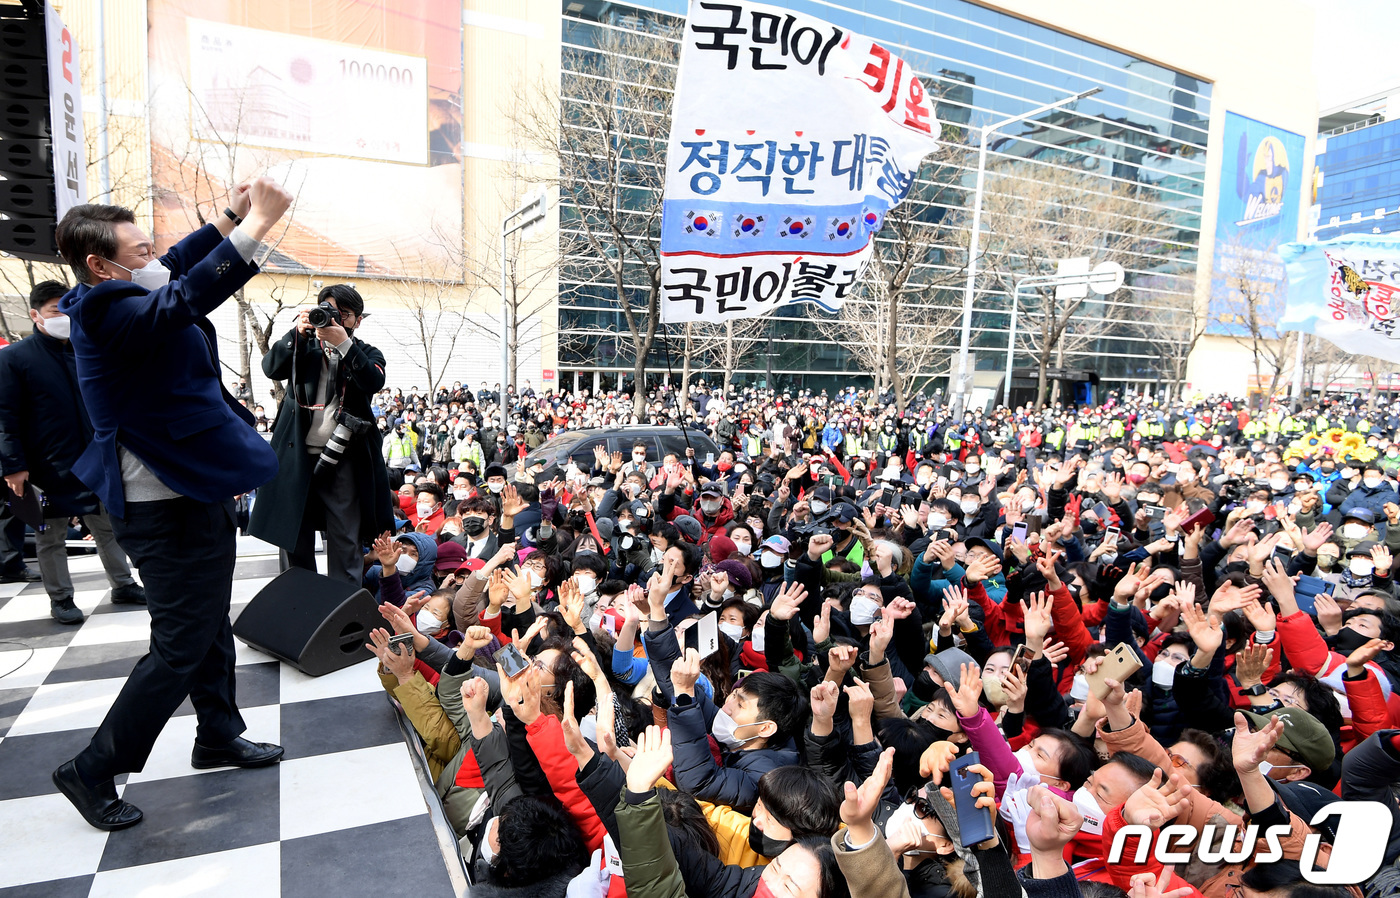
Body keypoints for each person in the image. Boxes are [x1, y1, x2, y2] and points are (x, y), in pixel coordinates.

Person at [49, 176, 292, 832]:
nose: (154, 255)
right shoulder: (105, 311)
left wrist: (229, 217)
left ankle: (218, 733)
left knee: (207, 624)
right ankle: (92, 767)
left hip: (190, 486)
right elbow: (187, 292)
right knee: (180, 644)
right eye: (139, 249)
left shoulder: (126, 287)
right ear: (101, 264)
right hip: (160, 501)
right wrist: (255, 229)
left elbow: (179, 262)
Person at [0, 280, 144, 622]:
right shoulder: (14, 358)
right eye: (54, 310)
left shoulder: (87, 348)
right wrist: (13, 466)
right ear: (35, 315)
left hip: (95, 459)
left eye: (67, 308)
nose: (63, 316)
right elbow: (4, 416)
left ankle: (123, 583)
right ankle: (61, 598)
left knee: (107, 527)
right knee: (50, 536)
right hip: (45, 466)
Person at [248, 283, 393, 586]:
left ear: (358, 320)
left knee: (345, 540)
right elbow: (271, 368)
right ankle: (299, 603)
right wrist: (297, 334)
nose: (335, 318)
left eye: (344, 314)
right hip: (296, 456)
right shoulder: (303, 347)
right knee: (293, 538)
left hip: (343, 459)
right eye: (328, 311)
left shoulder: (366, 352)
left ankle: (343, 607)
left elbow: (372, 381)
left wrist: (344, 345)